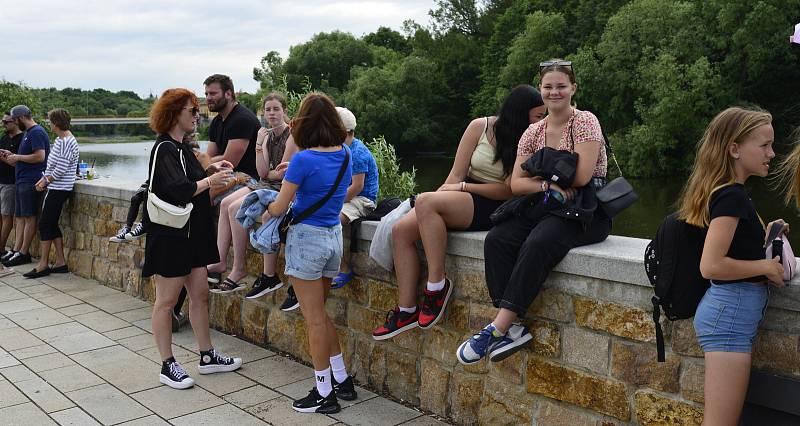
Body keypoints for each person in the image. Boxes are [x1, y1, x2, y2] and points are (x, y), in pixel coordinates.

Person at [456, 61, 610, 364]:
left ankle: (497, 327)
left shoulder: (585, 122)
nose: (555, 92)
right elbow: (516, 183)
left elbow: (580, 178)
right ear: (541, 91)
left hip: (585, 209)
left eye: (561, 86)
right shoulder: (533, 131)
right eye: (548, 87)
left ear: (573, 88)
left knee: (539, 242)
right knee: (498, 238)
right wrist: (547, 184)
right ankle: (514, 328)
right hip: (547, 204)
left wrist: (539, 174)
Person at [372, 85, 546, 340]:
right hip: (464, 195)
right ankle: (407, 309)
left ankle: (437, 287)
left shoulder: (530, 139)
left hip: (495, 203)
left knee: (427, 203)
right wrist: (445, 191)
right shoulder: (480, 126)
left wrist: (462, 187)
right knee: (400, 230)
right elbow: (456, 172)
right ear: (520, 113)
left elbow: (510, 190)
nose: (541, 120)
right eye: (537, 115)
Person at [683, 107, 783, 425]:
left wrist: (769, 235)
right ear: (735, 149)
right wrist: (766, 268)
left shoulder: (731, 193)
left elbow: (735, 246)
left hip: (730, 316)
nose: (772, 153)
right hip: (729, 322)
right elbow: (711, 265)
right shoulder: (732, 197)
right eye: (764, 145)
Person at [260, 93, 355, 414]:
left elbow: (278, 206)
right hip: (333, 239)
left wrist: (263, 211)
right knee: (321, 314)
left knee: (313, 320)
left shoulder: (303, 160)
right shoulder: (344, 154)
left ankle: (324, 393)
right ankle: (342, 379)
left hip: (307, 241)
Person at [142, 88, 242, 390]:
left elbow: (191, 177)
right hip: (171, 236)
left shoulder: (181, 147)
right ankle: (167, 363)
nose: (196, 115)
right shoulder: (164, 149)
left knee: (199, 295)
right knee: (167, 301)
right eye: (191, 110)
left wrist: (212, 168)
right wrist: (210, 180)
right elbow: (179, 189)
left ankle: (207, 356)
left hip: (190, 235)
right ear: (174, 114)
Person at [207, 92, 298, 296]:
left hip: (280, 187)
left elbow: (282, 173)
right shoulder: (265, 134)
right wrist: (259, 145)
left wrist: (269, 171)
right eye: (268, 110)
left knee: (234, 207)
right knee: (224, 205)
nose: (272, 113)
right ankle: (220, 260)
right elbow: (263, 171)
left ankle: (239, 267)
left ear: (284, 110)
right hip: (264, 183)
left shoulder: (291, 135)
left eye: (276, 109)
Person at [23, 109, 79, 278]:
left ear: (56, 123)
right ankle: (61, 262)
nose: (49, 124)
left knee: (45, 224)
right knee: (51, 224)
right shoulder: (61, 140)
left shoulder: (68, 141)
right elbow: (54, 166)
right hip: (55, 187)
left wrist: (45, 181)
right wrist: (44, 179)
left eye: (50, 121)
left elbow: (61, 169)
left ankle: (43, 264)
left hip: (60, 189)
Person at [330, 107, 379, 289]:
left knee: (332, 220)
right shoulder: (340, 149)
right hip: (347, 196)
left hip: (363, 199)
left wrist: (334, 201)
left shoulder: (357, 152)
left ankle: (344, 269)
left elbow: (357, 186)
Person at [1, 105, 49, 268]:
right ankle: (16, 250)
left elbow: (40, 156)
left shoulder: (36, 132)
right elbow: (22, 159)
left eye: (13, 120)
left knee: (29, 217)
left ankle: (24, 253)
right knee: (20, 217)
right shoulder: (28, 133)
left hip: (32, 180)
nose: (13, 123)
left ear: (21, 118)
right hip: (22, 179)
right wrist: (10, 156)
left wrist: (17, 156)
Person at [204, 74, 260, 180]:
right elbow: (209, 158)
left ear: (228, 94)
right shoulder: (216, 122)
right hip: (226, 177)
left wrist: (203, 161)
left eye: (213, 93)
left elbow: (229, 162)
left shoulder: (242, 119)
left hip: (248, 179)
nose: (208, 98)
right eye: (206, 94)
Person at [0, 114, 22, 258]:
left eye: (6, 122)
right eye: (2, 121)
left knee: (7, 215)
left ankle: (1, 248)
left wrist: (4, 158)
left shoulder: (22, 139)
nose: (3, 124)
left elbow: (18, 163)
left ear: (15, 121)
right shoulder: (4, 137)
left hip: (10, 182)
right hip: (0, 180)